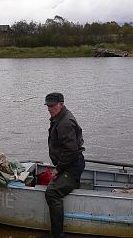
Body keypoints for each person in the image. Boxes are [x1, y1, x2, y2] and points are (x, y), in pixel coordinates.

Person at [43, 92, 85, 238]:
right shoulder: (59, 117)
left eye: (52, 106)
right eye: (48, 105)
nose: (49, 108)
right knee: (54, 186)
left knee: (52, 193)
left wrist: (58, 170)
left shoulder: (65, 122)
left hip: (71, 166)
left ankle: (57, 234)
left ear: (61, 104)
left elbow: (71, 151)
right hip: (69, 164)